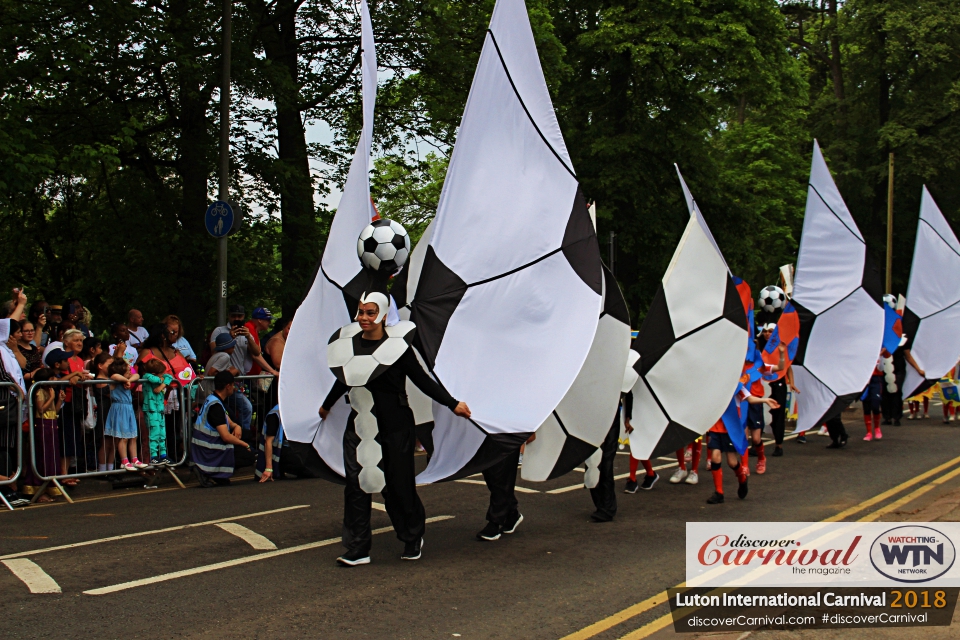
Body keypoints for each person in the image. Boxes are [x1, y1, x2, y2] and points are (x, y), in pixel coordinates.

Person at [319, 294, 471, 566]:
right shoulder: (350, 345)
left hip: (395, 425)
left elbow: (422, 380)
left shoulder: (398, 347)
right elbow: (345, 377)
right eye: (361, 312)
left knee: (398, 486)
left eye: (370, 312)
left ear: (382, 315)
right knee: (357, 485)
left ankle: (412, 536)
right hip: (361, 424)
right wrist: (326, 405)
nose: (364, 317)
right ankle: (357, 548)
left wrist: (452, 404)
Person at [706, 387, 780, 505]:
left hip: (730, 428)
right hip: (714, 427)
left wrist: (765, 400)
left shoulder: (736, 386)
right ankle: (719, 493)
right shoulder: (714, 384)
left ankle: (742, 478)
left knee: (732, 462)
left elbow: (750, 398)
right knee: (715, 457)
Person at [190, 371, 254, 487]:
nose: (234, 388)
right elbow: (225, 436)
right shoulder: (216, 406)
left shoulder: (213, 398)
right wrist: (245, 445)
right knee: (248, 456)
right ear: (228, 386)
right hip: (208, 450)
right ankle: (212, 473)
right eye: (233, 385)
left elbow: (228, 420)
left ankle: (219, 475)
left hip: (205, 445)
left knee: (247, 435)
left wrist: (236, 426)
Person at [20, 368, 62, 502]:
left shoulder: (50, 391)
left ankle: (50, 487)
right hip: (42, 425)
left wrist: (59, 400)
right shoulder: (39, 391)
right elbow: (41, 409)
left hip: (51, 424)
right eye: (52, 378)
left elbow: (53, 410)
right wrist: (51, 398)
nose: (54, 380)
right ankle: (38, 489)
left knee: (51, 457)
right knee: (42, 456)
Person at [208, 305, 277, 377]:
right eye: (233, 316)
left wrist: (249, 337)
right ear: (229, 316)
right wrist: (230, 337)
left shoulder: (246, 332)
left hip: (241, 376)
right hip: (224, 377)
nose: (236, 319)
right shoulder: (219, 330)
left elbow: (256, 353)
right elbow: (214, 352)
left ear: (243, 316)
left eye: (239, 316)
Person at [105, 357, 145, 471]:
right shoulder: (115, 380)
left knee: (133, 436)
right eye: (127, 372)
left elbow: (137, 375)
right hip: (120, 408)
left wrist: (129, 380)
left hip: (128, 408)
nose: (130, 373)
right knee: (123, 437)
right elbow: (114, 376)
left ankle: (134, 459)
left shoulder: (129, 380)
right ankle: (124, 460)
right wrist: (125, 380)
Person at [140, 359, 173, 465]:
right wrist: (162, 380)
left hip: (159, 409)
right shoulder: (146, 376)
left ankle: (163, 454)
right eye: (161, 373)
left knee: (162, 432)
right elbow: (154, 379)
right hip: (150, 409)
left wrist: (162, 386)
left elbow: (170, 377)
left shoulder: (161, 379)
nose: (163, 375)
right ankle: (153, 455)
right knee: (154, 433)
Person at [89, 353, 116, 472]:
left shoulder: (111, 379)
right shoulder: (99, 380)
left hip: (113, 411)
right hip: (104, 412)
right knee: (106, 442)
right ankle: (102, 468)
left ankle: (111, 468)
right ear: (100, 366)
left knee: (114, 441)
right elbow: (109, 392)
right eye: (110, 364)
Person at [243, 307, 279, 376]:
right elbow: (255, 355)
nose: (270, 323)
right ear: (259, 320)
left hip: (250, 375)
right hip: (247, 375)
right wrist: (272, 371)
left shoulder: (253, 329)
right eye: (268, 320)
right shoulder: (249, 329)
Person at [862, 356, 884, 441]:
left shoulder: (881, 351)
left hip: (876, 379)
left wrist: (879, 357)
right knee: (866, 406)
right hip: (865, 380)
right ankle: (869, 432)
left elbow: (881, 368)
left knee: (875, 405)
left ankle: (877, 428)